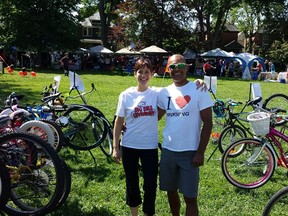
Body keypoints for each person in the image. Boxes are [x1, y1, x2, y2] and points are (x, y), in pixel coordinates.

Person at [113, 57, 207, 216]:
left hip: (151, 147)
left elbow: (181, 89)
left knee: (151, 185)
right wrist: (117, 144)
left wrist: (200, 81)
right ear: (134, 74)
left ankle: (148, 213)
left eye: (146, 72)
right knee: (133, 183)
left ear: (152, 74)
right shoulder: (130, 95)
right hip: (133, 145)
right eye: (139, 72)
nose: (143, 75)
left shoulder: (159, 92)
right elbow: (121, 120)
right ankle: (134, 213)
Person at [157, 54, 213, 216]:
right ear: (168, 70)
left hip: (190, 153)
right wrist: (129, 124)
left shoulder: (198, 89)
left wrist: (200, 152)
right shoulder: (164, 92)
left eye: (180, 66)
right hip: (168, 151)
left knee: (190, 198)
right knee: (170, 191)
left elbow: (208, 122)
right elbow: (154, 116)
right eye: (172, 67)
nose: (177, 70)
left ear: (187, 67)